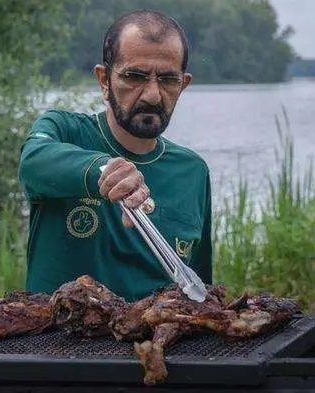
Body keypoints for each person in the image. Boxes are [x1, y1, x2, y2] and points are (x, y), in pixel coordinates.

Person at [17, 9, 212, 301]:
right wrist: (103, 168)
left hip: (157, 342)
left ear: (183, 84)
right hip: (53, 341)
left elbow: (200, 289)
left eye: (168, 80)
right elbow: (33, 162)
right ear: (104, 79)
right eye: (135, 76)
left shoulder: (193, 171)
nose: (152, 95)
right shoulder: (65, 131)